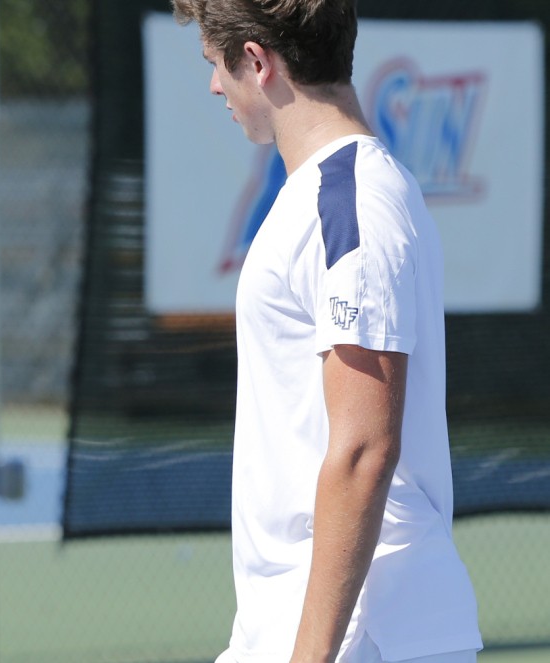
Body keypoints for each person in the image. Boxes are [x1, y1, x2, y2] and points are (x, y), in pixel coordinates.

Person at [168, 2, 482, 662]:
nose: (213, 87)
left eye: (214, 65)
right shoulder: (334, 193)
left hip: (358, 633)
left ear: (258, 60)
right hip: (319, 627)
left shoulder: (349, 204)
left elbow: (366, 449)